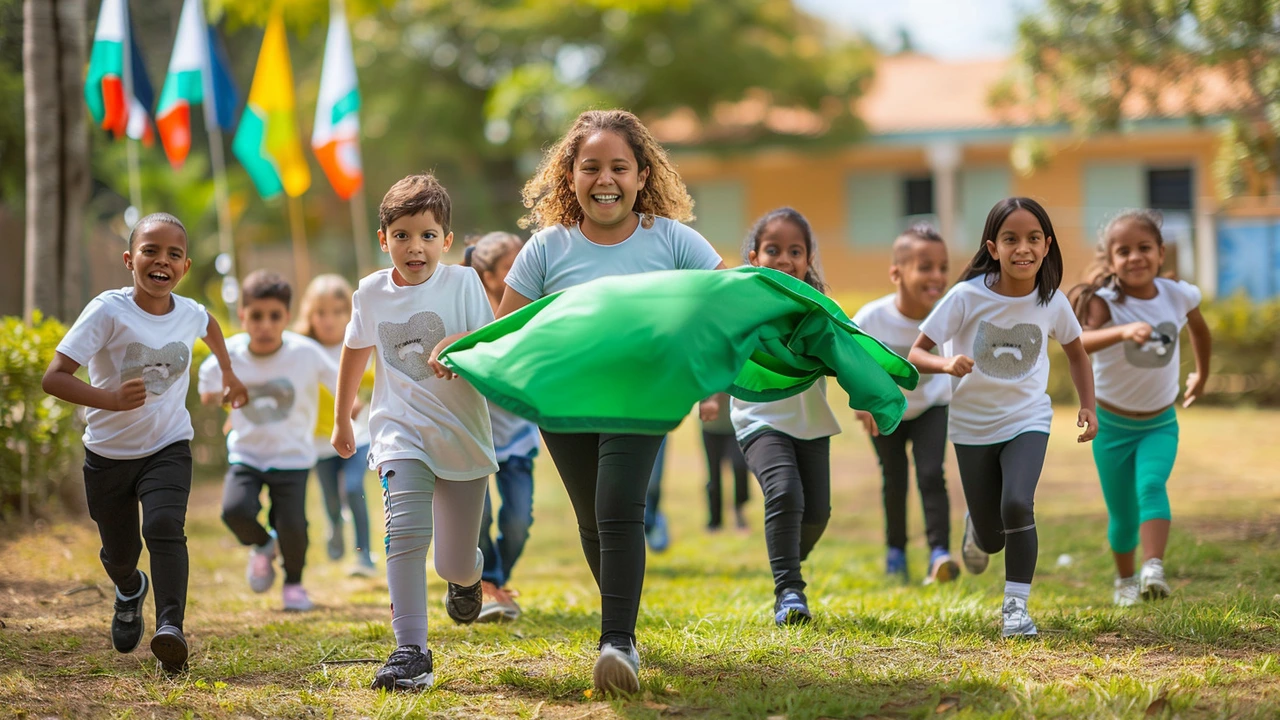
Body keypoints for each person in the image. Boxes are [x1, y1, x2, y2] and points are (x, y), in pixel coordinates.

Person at [431, 109, 725, 695]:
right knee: (593, 518)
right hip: (563, 403)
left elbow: (727, 299)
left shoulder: (671, 240)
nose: (605, 179)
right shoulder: (547, 249)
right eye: (591, 167)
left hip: (638, 399)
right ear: (570, 177)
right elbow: (506, 327)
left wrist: (713, 377)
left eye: (619, 167)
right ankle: (627, 629)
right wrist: (461, 347)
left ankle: (615, 641)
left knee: (618, 506)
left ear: (643, 175)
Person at [42, 212, 248, 673]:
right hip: (108, 454)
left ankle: (170, 628)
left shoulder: (189, 312)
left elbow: (210, 324)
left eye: (174, 253)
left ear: (186, 266)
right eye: (150, 250)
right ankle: (130, 587)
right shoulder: (108, 311)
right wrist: (110, 400)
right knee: (120, 554)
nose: (162, 261)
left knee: (163, 527)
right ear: (129, 259)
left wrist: (228, 370)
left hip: (168, 446)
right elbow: (53, 378)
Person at [332, 173, 497, 691]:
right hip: (398, 431)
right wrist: (342, 417)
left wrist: (459, 343)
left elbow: (489, 342)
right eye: (401, 235)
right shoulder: (370, 292)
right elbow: (356, 348)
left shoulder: (464, 283)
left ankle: (468, 577)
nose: (414, 246)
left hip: (462, 435)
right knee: (403, 534)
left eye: (427, 235)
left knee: (452, 559)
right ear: (383, 240)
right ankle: (411, 652)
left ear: (446, 242)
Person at [909, 197, 1097, 639]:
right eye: (1011, 239)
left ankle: (1015, 609)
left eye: (1033, 238)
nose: (1023, 249)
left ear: (1047, 245)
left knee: (1017, 502)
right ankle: (978, 526)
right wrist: (945, 365)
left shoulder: (1051, 301)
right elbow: (917, 352)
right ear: (993, 247)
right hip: (972, 427)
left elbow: (1077, 352)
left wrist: (1089, 404)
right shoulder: (966, 296)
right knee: (993, 539)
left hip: (1028, 418)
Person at [1069, 210, 1212, 606]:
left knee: (1151, 485)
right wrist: (1122, 330)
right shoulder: (1106, 302)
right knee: (1122, 515)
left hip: (1159, 424)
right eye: (1124, 251)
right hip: (1112, 427)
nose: (1135, 257)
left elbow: (1200, 329)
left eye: (1144, 248)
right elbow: (1080, 341)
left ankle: (1154, 567)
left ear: (1161, 252)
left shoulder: (1178, 294)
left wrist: (1201, 374)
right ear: (1111, 260)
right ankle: (1125, 580)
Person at [199, 270, 339, 613]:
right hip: (246, 454)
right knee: (234, 511)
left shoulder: (305, 352)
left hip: (293, 457)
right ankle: (263, 545)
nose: (264, 324)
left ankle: (294, 584)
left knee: (293, 526)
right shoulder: (228, 354)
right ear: (243, 315)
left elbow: (339, 382)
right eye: (256, 316)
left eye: (274, 316)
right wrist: (223, 396)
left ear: (286, 318)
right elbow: (206, 392)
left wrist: (352, 408)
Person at [729, 207, 840, 626]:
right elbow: (717, 349)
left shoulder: (820, 308)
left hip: (811, 420)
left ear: (808, 259)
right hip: (759, 419)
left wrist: (869, 394)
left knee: (817, 513)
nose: (783, 259)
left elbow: (846, 357)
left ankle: (787, 559)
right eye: (773, 249)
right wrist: (706, 394)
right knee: (785, 492)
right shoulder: (743, 305)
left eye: (795, 251)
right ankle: (789, 591)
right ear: (754, 256)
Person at [852, 224, 957, 585]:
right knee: (894, 479)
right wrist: (862, 403)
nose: (937, 276)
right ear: (896, 273)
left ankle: (939, 553)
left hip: (932, 405)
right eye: (925, 267)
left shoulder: (947, 317)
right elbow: (850, 362)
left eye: (943, 267)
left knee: (931, 475)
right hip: (886, 413)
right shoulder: (871, 318)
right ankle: (895, 551)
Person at [462, 232, 539, 622]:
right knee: (480, 518)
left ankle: (496, 581)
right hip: (476, 438)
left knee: (518, 521)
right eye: (512, 267)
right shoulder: (469, 312)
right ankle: (487, 584)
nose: (521, 274)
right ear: (489, 275)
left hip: (518, 438)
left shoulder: (531, 312)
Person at [295, 274, 376, 576]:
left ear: (350, 313)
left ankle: (365, 555)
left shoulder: (361, 346)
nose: (329, 320)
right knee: (331, 499)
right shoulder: (303, 351)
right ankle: (334, 526)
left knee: (354, 488)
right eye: (321, 313)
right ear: (309, 315)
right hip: (320, 441)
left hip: (360, 435)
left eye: (337, 312)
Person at [701, 392, 750, 532]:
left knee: (740, 467)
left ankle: (739, 511)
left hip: (736, 425)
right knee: (714, 474)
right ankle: (714, 521)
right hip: (710, 426)